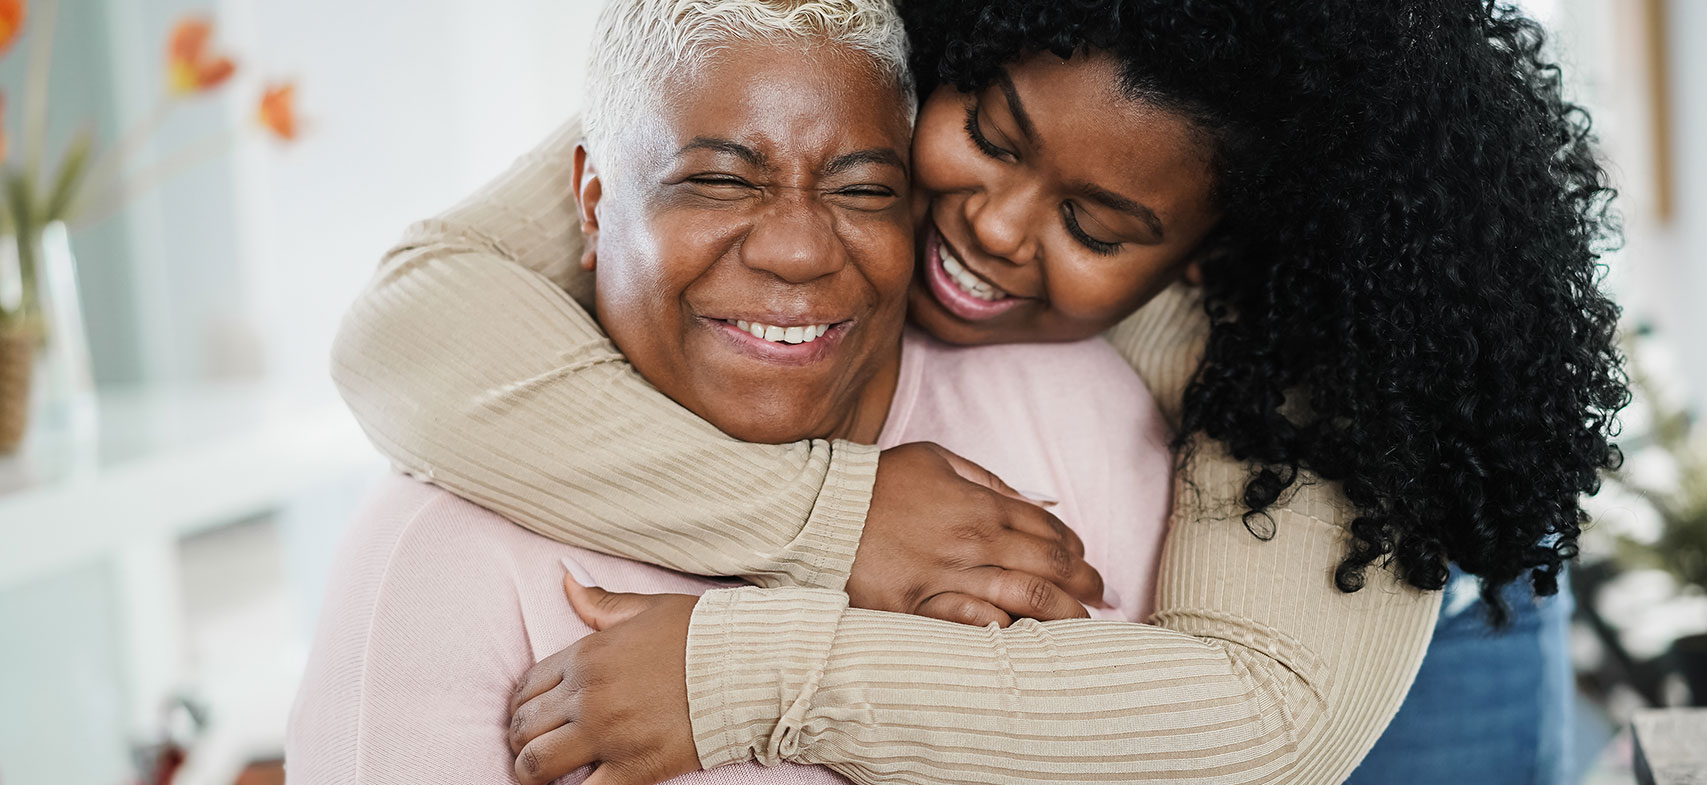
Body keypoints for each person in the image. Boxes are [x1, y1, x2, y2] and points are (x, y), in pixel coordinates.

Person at [332, 1, 1627, 783]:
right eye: (991, 135)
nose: (994, 226)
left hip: (1402, 631)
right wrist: (833, 520)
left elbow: (1268, 727)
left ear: (1217, 250)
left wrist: (749, 669)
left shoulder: (1329, 324)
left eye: (1098, 221)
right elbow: (410, 323)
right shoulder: (858, 42)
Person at [285, 3, 1175, 782]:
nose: (797, 249)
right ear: (593, 204)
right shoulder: (438, 559)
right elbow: (389, 330)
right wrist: (839, 522)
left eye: (864, 189)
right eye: (716, 180)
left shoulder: (1076, 413)